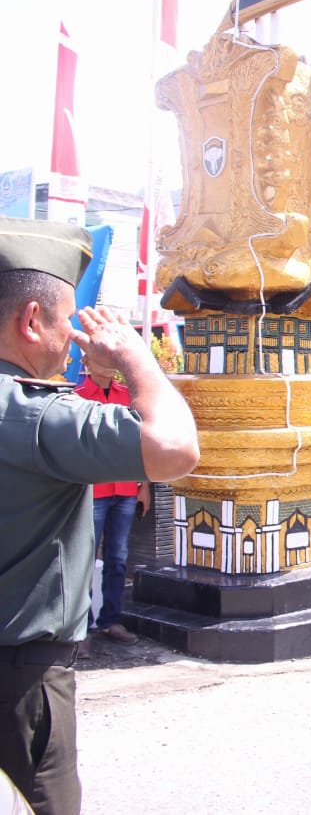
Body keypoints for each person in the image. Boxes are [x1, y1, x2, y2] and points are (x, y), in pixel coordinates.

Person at [0, 218, 200, 814]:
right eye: (68, 322)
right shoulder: (36, 415)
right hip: (20, 675)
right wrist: (138, 357)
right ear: (32, 321)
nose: (72, 341)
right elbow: (177, 448)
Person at [73, 352, 153, 646]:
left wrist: (143, 485)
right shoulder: (77, 397)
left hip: (124, 490)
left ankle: (111, 620)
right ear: (87, 364)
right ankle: (81, 628)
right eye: (99, 360)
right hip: (92, 490)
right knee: (83, 558)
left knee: (117, 559)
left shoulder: (126, 396)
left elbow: (139, 441)